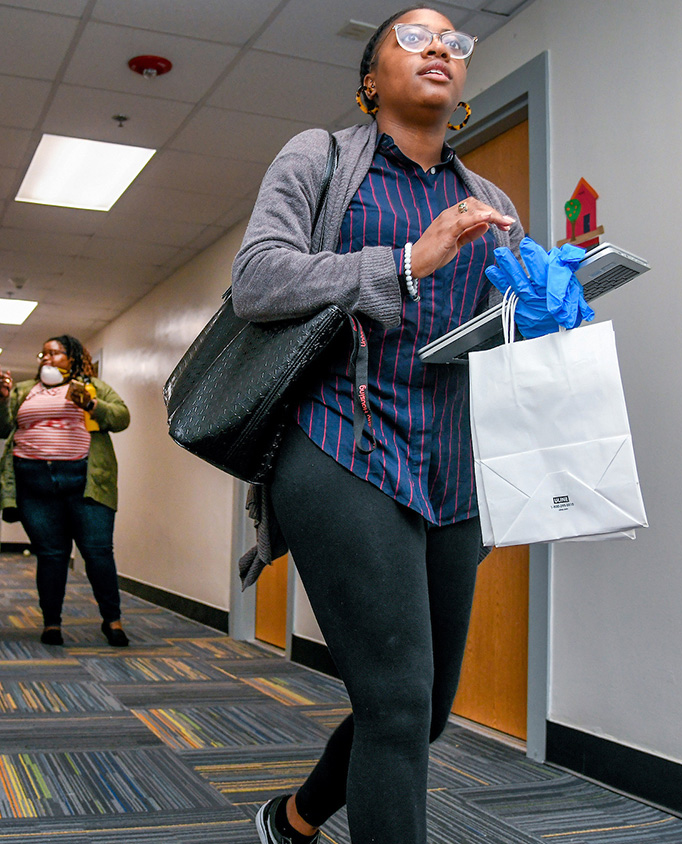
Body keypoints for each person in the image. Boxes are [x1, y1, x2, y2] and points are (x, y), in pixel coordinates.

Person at [231, 7, 523, 844]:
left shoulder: (489, 199)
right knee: (394, 702)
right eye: (415, 36)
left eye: (455, 42)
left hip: (449, 463)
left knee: (424, 709)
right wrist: (403, 261)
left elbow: (487, 334)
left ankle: (294, 818)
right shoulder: (320, 159)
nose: (441, 48)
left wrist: (539, 306)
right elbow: (257, 279)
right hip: (342, 445)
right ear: (370, 76)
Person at [0, 335, 132, 647]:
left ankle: (113, 621)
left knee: (97, 553)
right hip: (34, 482)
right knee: (51, 555)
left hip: (85, 482)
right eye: (44, 353)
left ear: (72, 358)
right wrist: (2, 398)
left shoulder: (91, 385)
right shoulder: (24, 390)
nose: (47, 358)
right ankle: (51, 624)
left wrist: (90, 403)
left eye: (56, 353)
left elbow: (122, 417)